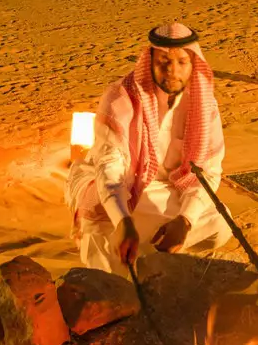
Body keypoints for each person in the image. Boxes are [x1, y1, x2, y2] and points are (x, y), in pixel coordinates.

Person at [69, 20, 228, 276]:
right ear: (150, 61)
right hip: (122, 186)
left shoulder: (202, 103)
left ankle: (155, 252)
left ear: (193, 63)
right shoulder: (120, 98)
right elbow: (110, 170)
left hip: (170, 190)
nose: (172, 71)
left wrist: (185, 220)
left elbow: (209, 171)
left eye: (181, 62)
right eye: (163, 61)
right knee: (100, 216)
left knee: (219, 223)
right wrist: (123, 221)